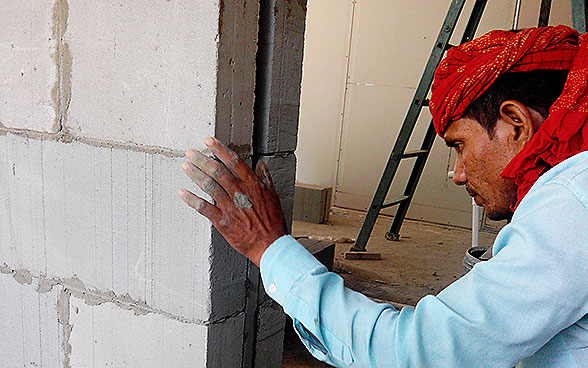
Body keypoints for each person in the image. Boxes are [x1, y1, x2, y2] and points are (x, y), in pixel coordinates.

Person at [178, 25, 588, 367]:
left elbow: (414, 353)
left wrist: (268, 247)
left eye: (460, 145)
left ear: (514, 123)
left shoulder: (572, 207)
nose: (458, 174)